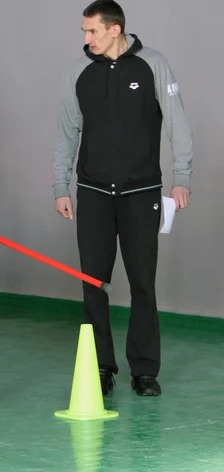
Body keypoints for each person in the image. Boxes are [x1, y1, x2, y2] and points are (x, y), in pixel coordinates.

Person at [52, 0, 193, 397]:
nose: (86, 38)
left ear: (114, 30)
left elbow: (177, 122)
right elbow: (66, 133)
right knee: (92, 285)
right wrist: (60, 186)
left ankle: (144, 371)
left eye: (91, 31)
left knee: (143, 283)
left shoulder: (153, 64)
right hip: (93, 193)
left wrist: (182, 177)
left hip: (141, 193)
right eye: (84, 31)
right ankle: (101, 367)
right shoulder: (79, 72)